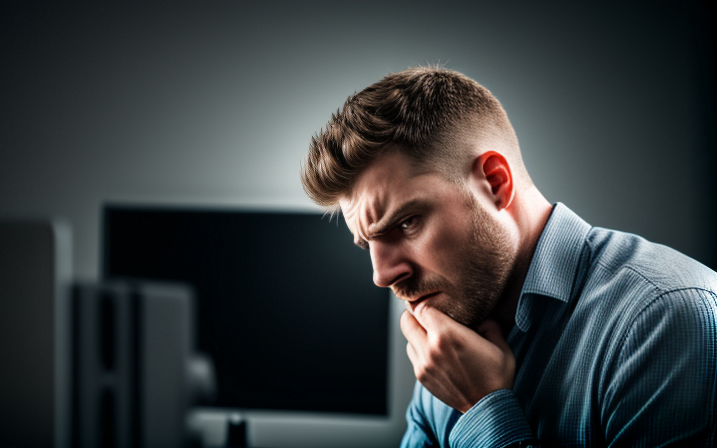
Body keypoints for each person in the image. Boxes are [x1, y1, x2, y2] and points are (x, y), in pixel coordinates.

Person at [300, 66, 717, 447]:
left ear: (495, 183)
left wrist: (483, 407)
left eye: (407, 223)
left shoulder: (667, 320)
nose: (382, 275)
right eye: (367, 243)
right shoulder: (450, 339)